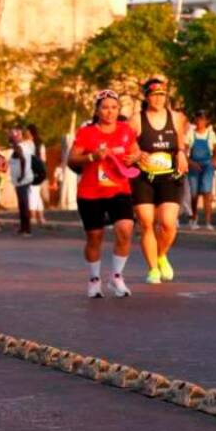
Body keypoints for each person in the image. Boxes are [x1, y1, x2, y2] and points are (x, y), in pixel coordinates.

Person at [69, 90, 138, 298]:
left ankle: (116, 276)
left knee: (125, 229)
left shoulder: (126, 130)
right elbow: (72, 159)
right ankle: (94, 279)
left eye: (114, 107)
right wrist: (92, 156)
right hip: (91, 192)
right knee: (94, 237)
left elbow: (135, 151)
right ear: (97, 111)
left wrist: (134, 157)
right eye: (105, 108)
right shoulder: (87, 132)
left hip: (119, 189)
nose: (110, 112)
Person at [129, 77, 188, 285]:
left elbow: (180, 140)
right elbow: (128, 143)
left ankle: (161, 255)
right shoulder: (137, 119)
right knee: (146, 223)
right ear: (146, 97)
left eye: (162, 95)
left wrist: (181, 153)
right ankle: (153, 269)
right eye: (154, 95)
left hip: (169, 176)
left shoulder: (177, 117)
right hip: (143, 177)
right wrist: (137, 153)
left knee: (168, 223)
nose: (158, 99)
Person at [186, 111, 216, 230]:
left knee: (207, 192)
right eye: (198, 119)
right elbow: (184, 151)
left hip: (207, 164)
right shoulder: (190, 134)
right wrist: (190, 162)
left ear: (206, 121)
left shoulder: (211, 134)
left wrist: (215, 161)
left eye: (202, 119)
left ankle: (208, 222)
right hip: (194, 164)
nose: (200, 122)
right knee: (194, 194)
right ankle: (194, 218)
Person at [9, 127, 34, 236]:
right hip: (21, 179)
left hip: (22, 180)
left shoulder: (19, 147)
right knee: (22, 204)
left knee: (24, 204)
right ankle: (23, 227)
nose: (10, 138)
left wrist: (22, 175)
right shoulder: (23, 146)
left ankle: (27, 229)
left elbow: (23, 160)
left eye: (12, 136)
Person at [26, 124, 48, 227]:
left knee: (32, 194)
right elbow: (44, 159)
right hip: (40, 171)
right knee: (37, 194)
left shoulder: (28, 144)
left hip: (32, 171)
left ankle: (33, 217)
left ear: (30, 132)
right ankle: (41, 217)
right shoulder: (40, 144)